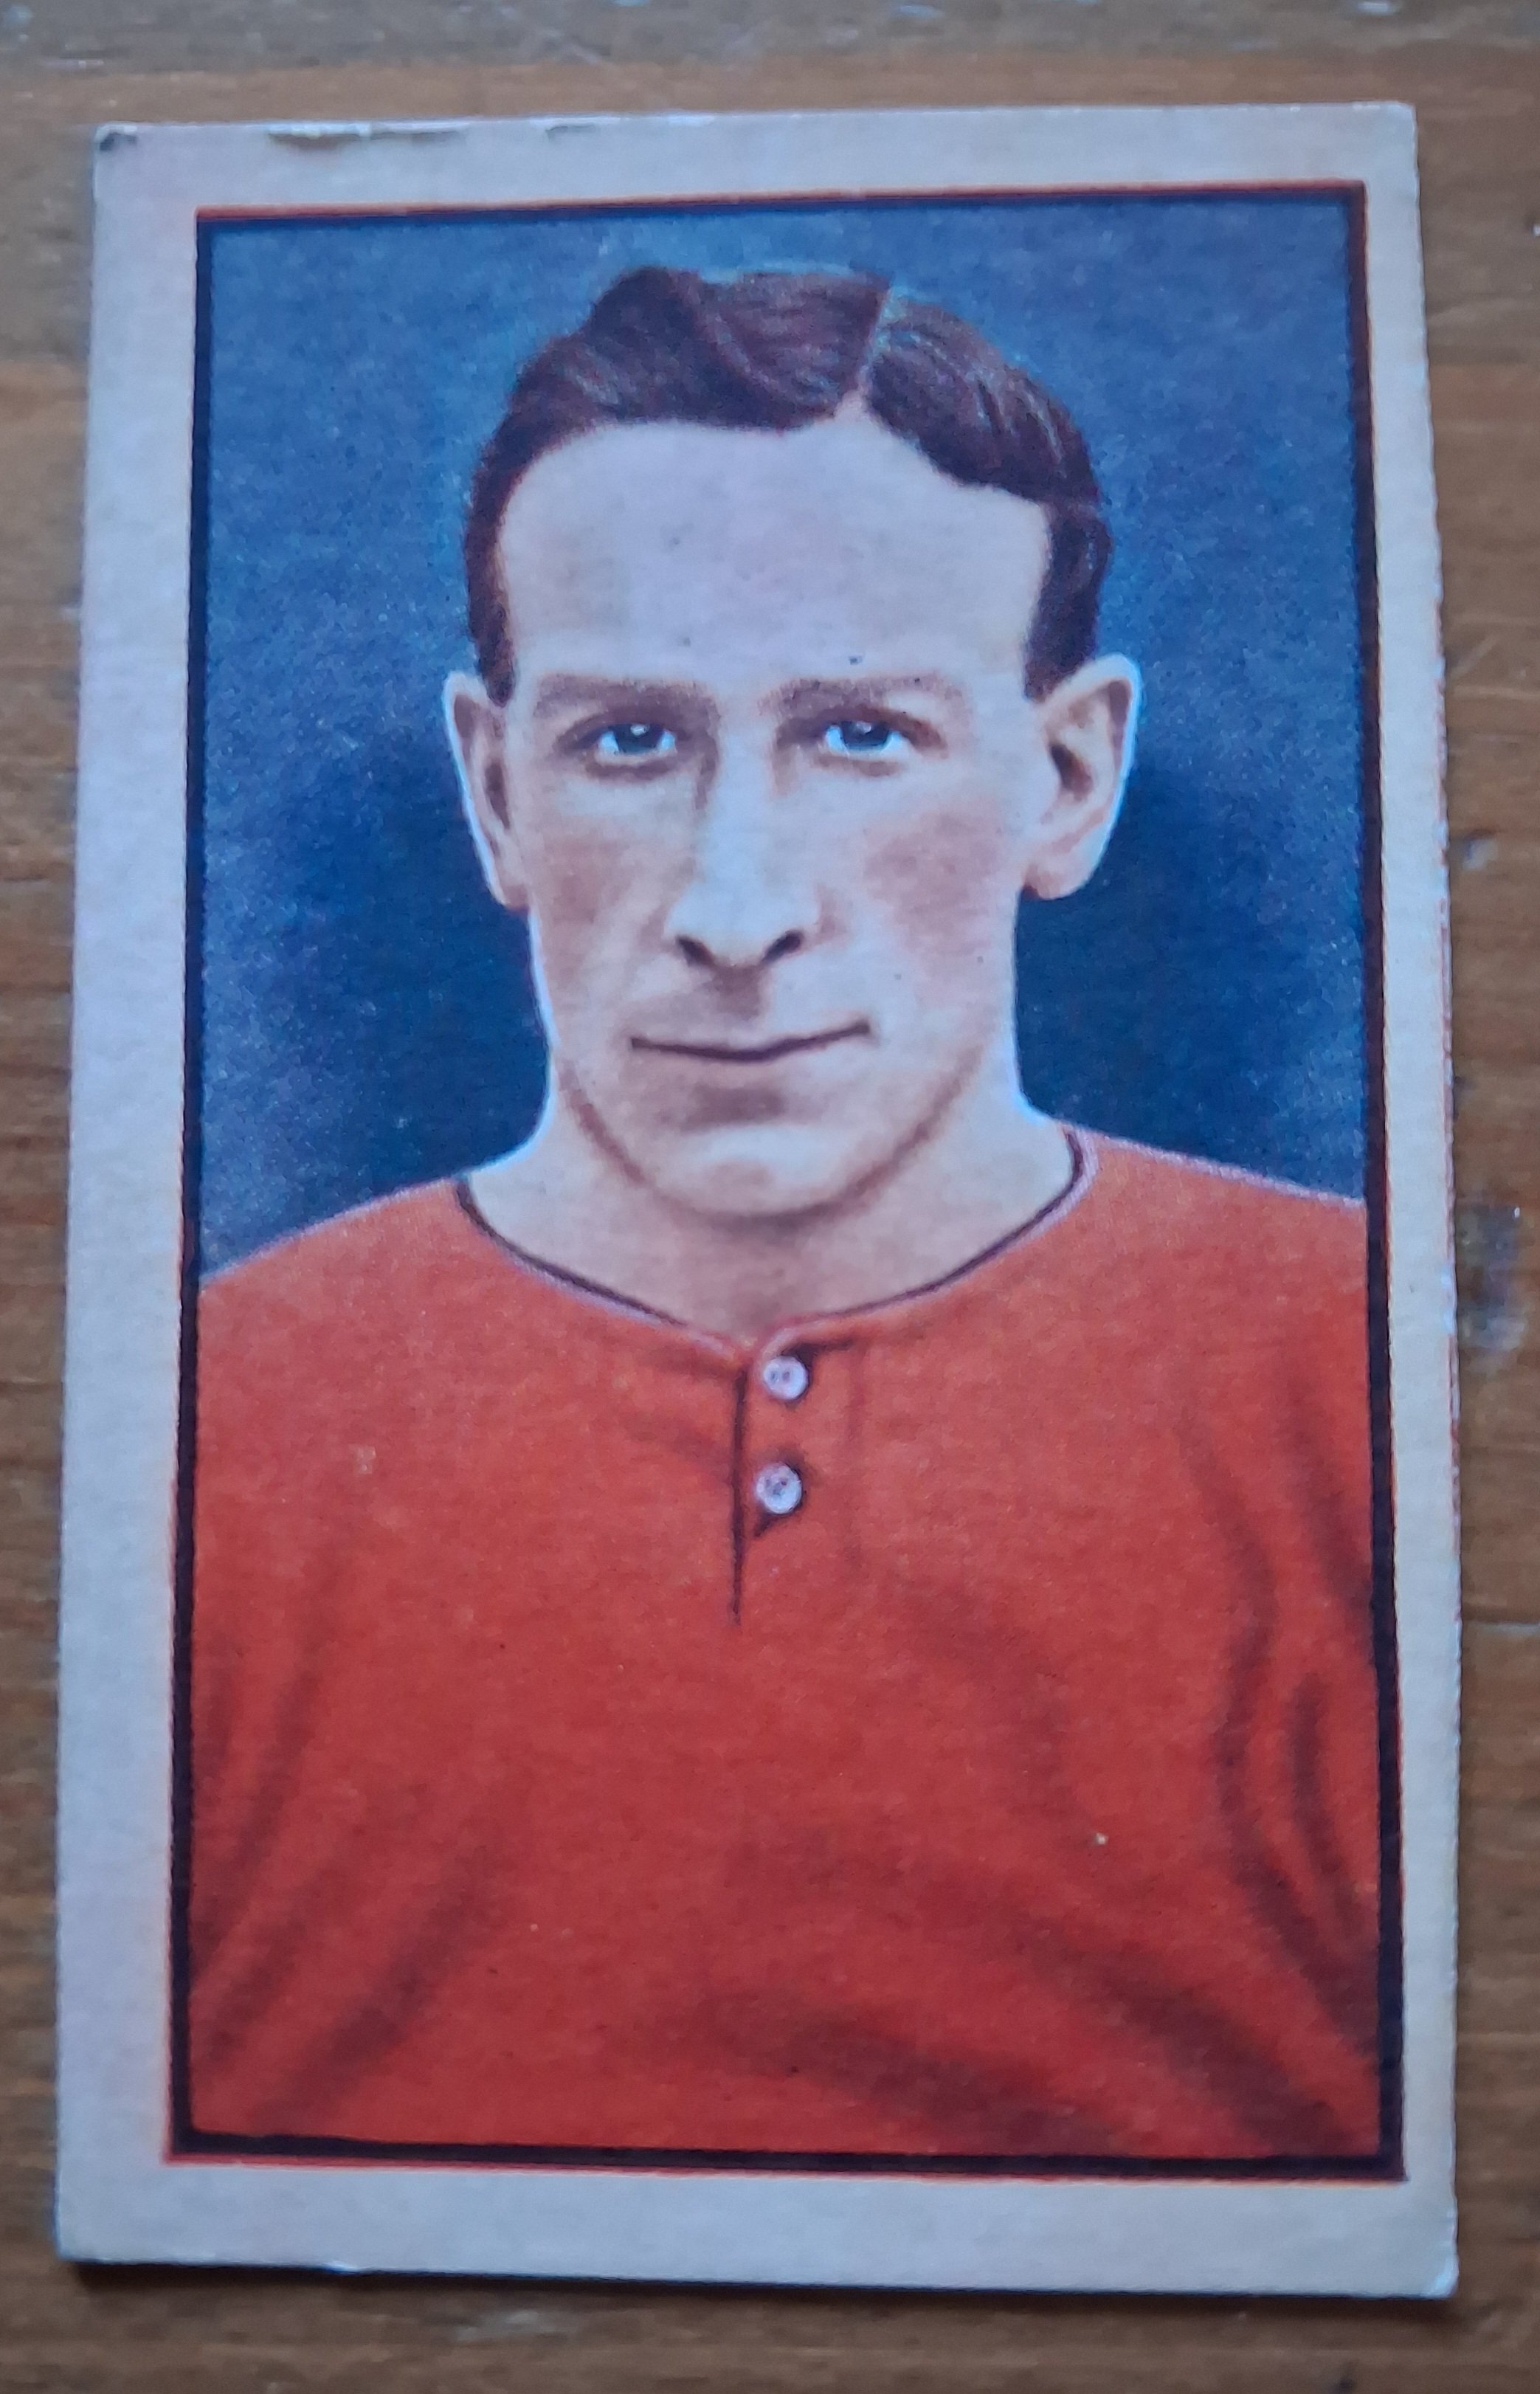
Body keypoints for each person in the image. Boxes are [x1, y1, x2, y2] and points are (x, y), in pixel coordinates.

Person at [185, 266, 1382, 2165]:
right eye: (628, 742)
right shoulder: (209, 1415)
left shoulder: (1362, 1376)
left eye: (860, 734)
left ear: (1068, 778)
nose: (736, 910)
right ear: (496, 795)